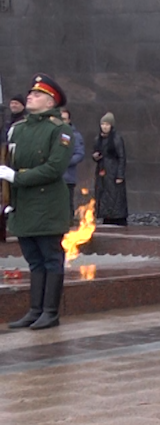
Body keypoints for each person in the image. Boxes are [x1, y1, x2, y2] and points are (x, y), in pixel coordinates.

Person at [2, 75, 73, 330]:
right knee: (34, 260)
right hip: (23, 205)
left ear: (50, 102)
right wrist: (8, 198)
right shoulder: (18, 129)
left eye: (38, 94)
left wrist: (17, 178)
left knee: (51, 258)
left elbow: (54, 168)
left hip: (47, 205)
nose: (30, 96)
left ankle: (50, 312)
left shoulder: (59, 130)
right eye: (30, 92)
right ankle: (35, 310)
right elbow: (9, 161)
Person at [92, 112, 128, 225]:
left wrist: (120, 175)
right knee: (104, 195)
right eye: (103, 124)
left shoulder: (117, 139)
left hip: (113, 171)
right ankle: (106, 217)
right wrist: (96, 157)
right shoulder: (98, 139)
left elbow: (122, 157)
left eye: (107, 124)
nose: (104, 127)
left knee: (115, 197)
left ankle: (117, 219)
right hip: (102, 172)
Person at [59, 108, 84, 219]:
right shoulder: (52, 134)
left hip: (67, 177)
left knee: (67, 205)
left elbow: (79, 154)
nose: (62, 121)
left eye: (64, 119)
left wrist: (65, 162)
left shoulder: (75, 136)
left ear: (69, 120)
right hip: (53, 176)